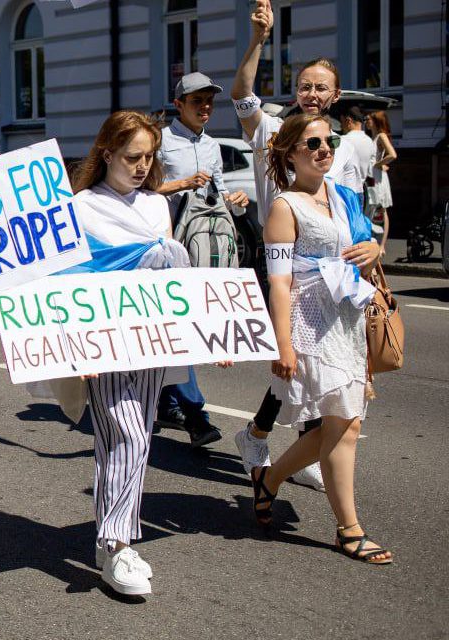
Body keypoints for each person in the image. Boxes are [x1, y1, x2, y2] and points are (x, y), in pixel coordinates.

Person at [62, 110, 232, 596]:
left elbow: (174, 281)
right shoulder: (83, 206)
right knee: (129, 436)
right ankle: (115, 543)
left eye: (149, 157)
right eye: (132, 156)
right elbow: (73, 280)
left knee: (128, 440)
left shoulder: (158, 207)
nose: (142, 165)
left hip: (152, 339)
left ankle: (111, 539)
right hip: (106, 342)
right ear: (106, 154)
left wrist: (208, 331)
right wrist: (81, 348)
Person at [230, 0, 381, 487]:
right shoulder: (272, 129)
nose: (312, 94)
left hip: (336, 272)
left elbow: (355, 214)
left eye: (321, 87)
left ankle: (264, 436)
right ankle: (295, 449)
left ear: (335, 96)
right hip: (286, 264)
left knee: (314, 367)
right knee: (303, 361)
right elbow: (241, 95)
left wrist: (373, 256)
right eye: (305, 85)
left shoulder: (348, 146)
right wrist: (258, 39)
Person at [252, 113, 392, 565]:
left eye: (328, 141)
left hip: (347, 319)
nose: (324, 149)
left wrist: (376, 249)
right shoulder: (283, 207)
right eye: (312, 144)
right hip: (310, 323)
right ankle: (349, 530)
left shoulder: (345, 196)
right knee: (345, 425)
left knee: (339, 421)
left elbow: (366, 249)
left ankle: (269, 480)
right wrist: (283, 344)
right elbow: (279, 283)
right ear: (291, 153)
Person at [152, 71, 249, 447]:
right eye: (197, 102)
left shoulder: (212, 146)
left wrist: (234, 203)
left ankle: (163, 402)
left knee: (173, 332)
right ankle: (196, 416)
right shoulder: (161, 142)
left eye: (209, 101)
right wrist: (179, 184)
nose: (205, 108)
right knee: (177, 329)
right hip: (165, 248)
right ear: (179, 105)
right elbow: (142, 188)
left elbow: (218, 192)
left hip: (202, 249)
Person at [367, 111, 397, 255]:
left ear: (376, 121)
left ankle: (382, 244)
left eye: (369, 119)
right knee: (373, 208)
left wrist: (379, 164)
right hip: (374, 176)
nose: (367, 121)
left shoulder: (381, 136)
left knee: (381, 209)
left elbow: (392, 154)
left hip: (378, 176)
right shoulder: (372, 137)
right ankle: (376, 241)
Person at [335, 106, 376, 197]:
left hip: (344, 192)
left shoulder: (343, 140)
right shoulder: (369, 141)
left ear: (348, 121)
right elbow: (371, 168)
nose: (341, 126)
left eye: (341, 122)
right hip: (361, 191)